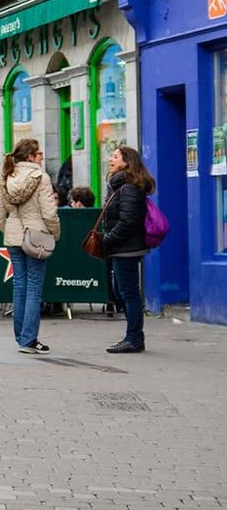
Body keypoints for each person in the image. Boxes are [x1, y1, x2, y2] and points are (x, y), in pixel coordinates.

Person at [0, 138, 60, 355]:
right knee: (34, 287)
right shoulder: (41, 177)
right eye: (38, 153)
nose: (41, 157)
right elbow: (49, 213)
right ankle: (29, 339)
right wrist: (54, 233)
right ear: (30, 156)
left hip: (14, 237)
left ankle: (22, 337)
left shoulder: (5, 177)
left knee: (19, 286)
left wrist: (11, 231)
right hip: (37, 236)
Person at [101, 146, 155, 354]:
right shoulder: (117, 185)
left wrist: (108, 240)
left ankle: (134, 338)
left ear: (127, 162)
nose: (110, 159)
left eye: (115, 157)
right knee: (120, 291)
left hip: (127, 248)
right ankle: (134, 336)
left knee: (128, 293)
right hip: (119, 247)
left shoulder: (129, 187)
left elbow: (128, 221)